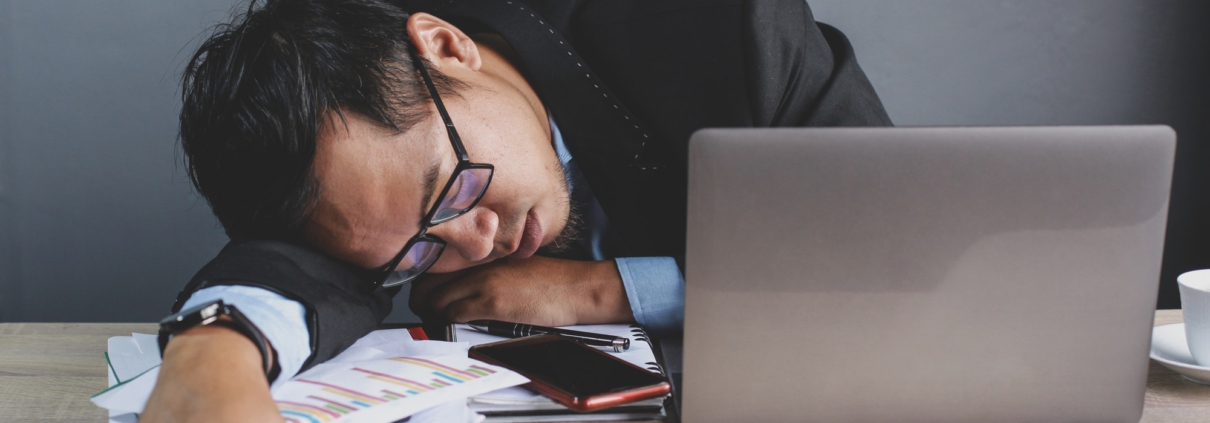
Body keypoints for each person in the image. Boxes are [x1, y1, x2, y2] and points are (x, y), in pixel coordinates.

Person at [141, 0, 892, 420]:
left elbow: (893, 248)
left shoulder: (723, 29)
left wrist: (605, 288)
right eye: (421, 252)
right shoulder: (361, 173)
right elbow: (299, 265)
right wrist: (211, 353)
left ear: (446, 45)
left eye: (457, 186)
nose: (476, 242)